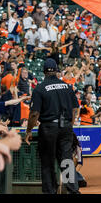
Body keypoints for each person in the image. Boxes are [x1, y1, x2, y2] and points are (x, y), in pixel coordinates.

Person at [24, 58, 80, 194]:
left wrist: (28, 131)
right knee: (66, 161)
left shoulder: (40, 88)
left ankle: (50, 191)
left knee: (48, 162)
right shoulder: (67, 86)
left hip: (49, 128)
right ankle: (73, 191)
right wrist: (69, 124)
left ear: (44, 71)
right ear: (56, 71)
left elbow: (34, 114)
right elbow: (75, 109)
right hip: (65, 126)